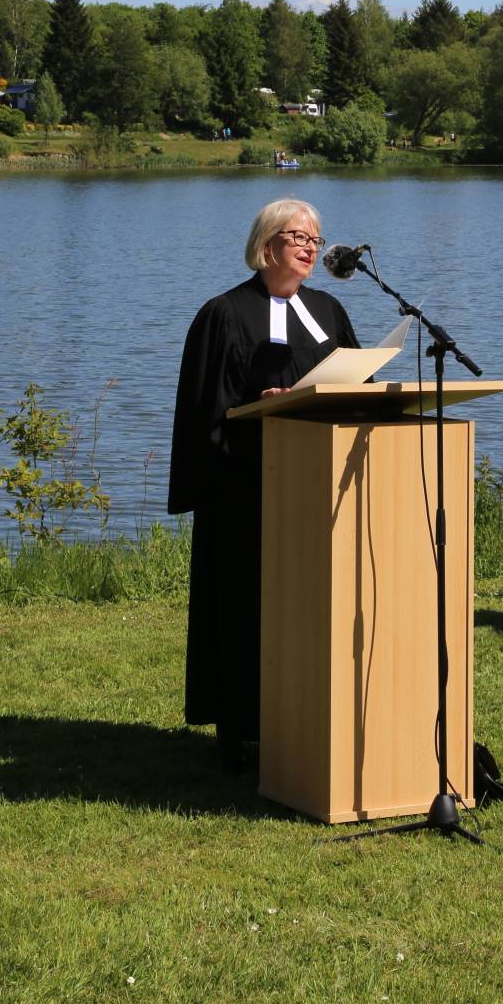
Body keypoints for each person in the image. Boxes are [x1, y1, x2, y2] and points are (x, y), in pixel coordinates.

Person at [167, 198, 359, 768]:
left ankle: (308, 717)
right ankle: (239, 726)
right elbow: (207, 407)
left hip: (317, 487)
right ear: (268, 243)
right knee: (247, 604)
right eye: (299, 236)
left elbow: (354, 380)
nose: (310, 248)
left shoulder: (328, 312)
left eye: (317, 240)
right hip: (245, 489)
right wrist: (259, 405)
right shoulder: (225, 314)